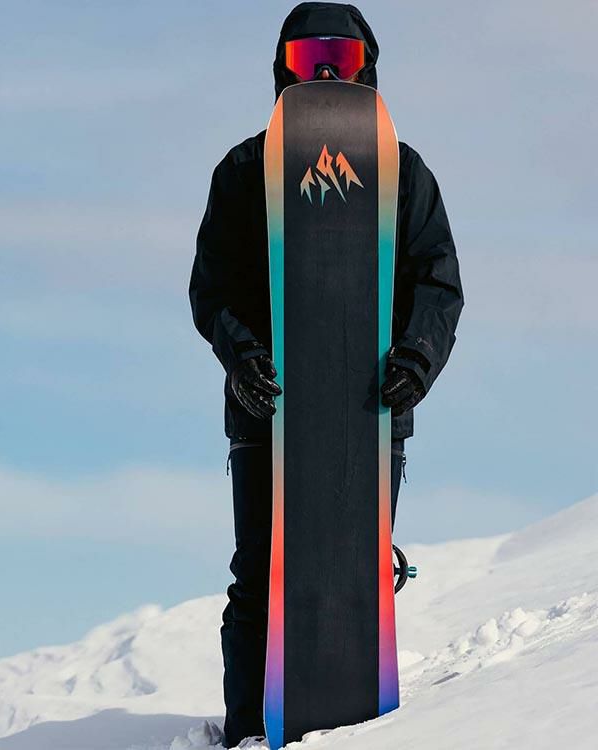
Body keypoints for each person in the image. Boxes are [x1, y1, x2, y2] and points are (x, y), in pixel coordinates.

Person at [189, 3, 464, 746]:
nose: (324, 72)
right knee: (261, 572)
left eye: (340, 58)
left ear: (367, 67)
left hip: (371, 411)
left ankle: (357, 730)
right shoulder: (243, 170)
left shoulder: (404, 172)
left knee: (355, 567)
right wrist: (243, 356)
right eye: (307, 57)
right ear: (281, 68)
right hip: (265, 412)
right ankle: (249, 730)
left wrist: (416, 360)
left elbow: (439, 283)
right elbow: (212, 289)